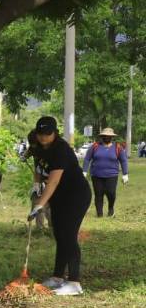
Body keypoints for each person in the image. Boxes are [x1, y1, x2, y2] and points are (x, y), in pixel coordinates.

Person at [29, 116, 91, 296]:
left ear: (55, 133)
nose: (43, 137)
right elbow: (38, 168)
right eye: (40, 133)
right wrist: (36, 187)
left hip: (76, 195)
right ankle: (57, 277)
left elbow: (54, 181)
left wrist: (40, 204)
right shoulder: (36, 144)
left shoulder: (61, 150)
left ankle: (74, 282)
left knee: (68, 236)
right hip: (59, 197)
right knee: (59, 234)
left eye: (47, 134)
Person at [83, 127, 129, 217]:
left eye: (109, 136)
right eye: (105, 136)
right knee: (98, 194)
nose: (107, 137)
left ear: (112, 137)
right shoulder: (95, 146)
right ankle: (99, 214)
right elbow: (87, 159)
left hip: (112, 175)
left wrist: (125, 174)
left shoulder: (117, 147)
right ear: (102, 136)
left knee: (111, 193)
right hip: (96, 175)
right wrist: (84, 171)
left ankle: (111, 208)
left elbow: (123, 160)